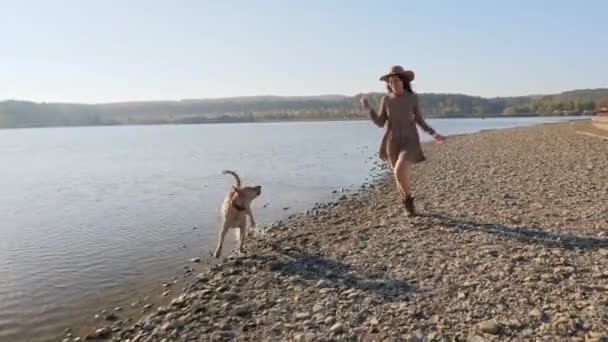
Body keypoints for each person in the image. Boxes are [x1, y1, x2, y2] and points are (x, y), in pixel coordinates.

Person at [361, 65, 445, 216]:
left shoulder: (412, 98)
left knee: (399, 170)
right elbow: (381, 122)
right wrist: (369, 109)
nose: (394, 84)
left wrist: (433, 133)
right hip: (392, 141)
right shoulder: (386, 99)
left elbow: (419, 120)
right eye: (391, 82)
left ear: (403, 81)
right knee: (397, 176)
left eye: (396, 81)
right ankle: (408, 204)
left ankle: (409, 198)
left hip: (410, 140)